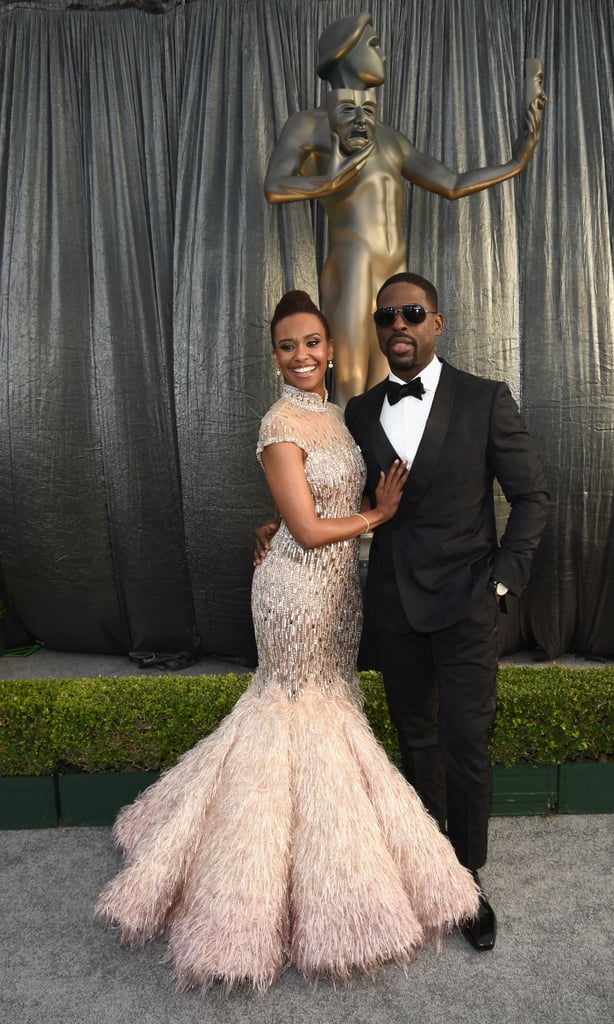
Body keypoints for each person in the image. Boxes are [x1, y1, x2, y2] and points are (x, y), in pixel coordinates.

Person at [95, 290, 479, 993]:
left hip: (338, 594)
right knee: (295, 712)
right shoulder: (278, 422)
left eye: (310, 343)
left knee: (327, 702)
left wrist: (278, 521)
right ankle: (262, 891)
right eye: (286, 346)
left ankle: (319, 871)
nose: (300, 355)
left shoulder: (334, 415)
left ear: (330, 349)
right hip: (295, 595)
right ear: (274, 355)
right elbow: (305, 529)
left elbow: (295, 510)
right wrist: (376, 513)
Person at [345, 272, 550, 951]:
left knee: (465, 741)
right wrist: (276, 527)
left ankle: (465, 882)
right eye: (385, 317)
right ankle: (428, 864)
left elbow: (531, 498)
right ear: (377, 330)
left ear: (436, 322)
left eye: (410, 313)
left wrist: (500, 584)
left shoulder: (485, 400)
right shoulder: (358, 411)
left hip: (467, 602)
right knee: (417, 737)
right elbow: (339, 501)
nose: (396, 325)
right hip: (395, 603)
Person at [264, 13, 547, 404]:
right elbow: (275, 186)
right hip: (352, 265)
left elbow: (451, 184)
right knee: (349, 380)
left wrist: (518, 160)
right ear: (345, 49)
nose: (381, 52)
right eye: (373, 43)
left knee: (387, 384)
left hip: (393, 272)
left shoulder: (391, 138)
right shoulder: (310, 125)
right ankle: (345, 466)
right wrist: (328, 184)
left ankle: (381, 465)